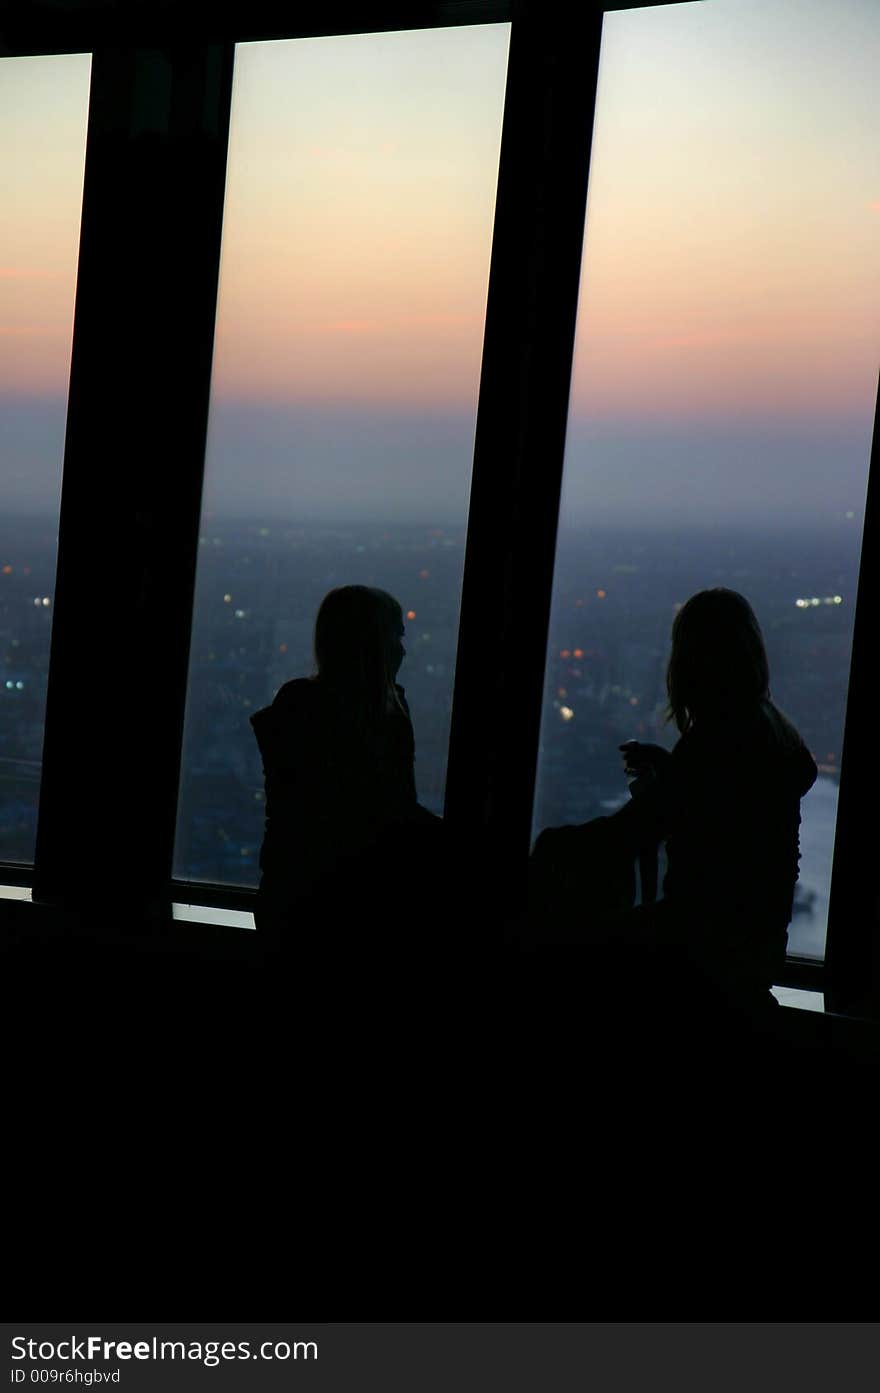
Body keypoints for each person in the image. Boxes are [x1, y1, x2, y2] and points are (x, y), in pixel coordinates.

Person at [604, 587, 818, 1017]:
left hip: (703, 947)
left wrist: (656, 790)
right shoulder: (774, 730)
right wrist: (673, 772)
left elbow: (657, 827)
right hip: (759, 947)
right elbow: (729, 808)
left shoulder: (712, 740)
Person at [249, 584, 443, 953]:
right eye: (395, 635)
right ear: (370, 642)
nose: (402, 649)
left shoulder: (299, 705)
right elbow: (394, 812)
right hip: (346, 908)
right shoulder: (388, 716)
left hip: (297, 903)